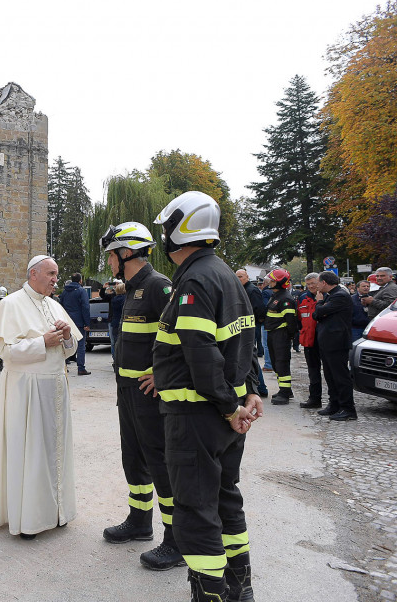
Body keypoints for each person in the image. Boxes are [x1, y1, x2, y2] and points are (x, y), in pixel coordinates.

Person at [152, 191, 263, 602]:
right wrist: (247, 393)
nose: (164, 234)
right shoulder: (225, 275)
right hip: (225, 415)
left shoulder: (196, 280)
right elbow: (244, 341)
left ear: (181, 229)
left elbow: (202, 353)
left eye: (167, 227)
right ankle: (240, 589)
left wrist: (231, 405)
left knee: (196, 511)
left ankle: (210, 595)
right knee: (226, 499)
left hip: (198, 415)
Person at [99, 222, 183, 570]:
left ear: (126, 252)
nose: (108, 263)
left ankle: (176, 540)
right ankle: (139, 521)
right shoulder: (132, 288)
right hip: (128, 391)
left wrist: (162, 375)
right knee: (132, 458)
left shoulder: (158, 286)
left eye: (110, 255)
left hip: (149, 395)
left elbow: (181, 334)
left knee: (159, 463)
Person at [0, 255, 83, 540]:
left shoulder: (54, 305)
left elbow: (70, 349)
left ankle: (57, 511)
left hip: (56, 386)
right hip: (26, 388)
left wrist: (65, 337)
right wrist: (42, 342)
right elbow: (7, 353)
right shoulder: (10, 304)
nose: (55, 279)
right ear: (33, 274)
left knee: (56, 451)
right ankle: (29, 519)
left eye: (56, 274)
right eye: (51, 274)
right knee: (31, 451)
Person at [313, 271, 358, 421]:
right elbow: (316, 315)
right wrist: (321, 308)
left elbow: (320, 311)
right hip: (327, 341)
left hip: (337, 342)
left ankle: (348, 409)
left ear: (324, 282)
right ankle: (334, 404)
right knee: (330, 375)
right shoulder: (330, 295)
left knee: (340, 376)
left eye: (318, 282)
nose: (317, 286)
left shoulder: (340, 295)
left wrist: (319, 303)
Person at [264, 269, 298, 405]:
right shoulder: (276, 295)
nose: (270, 282)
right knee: (275, 362)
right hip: (273, 333)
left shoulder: (285, 299)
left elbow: (291, 322)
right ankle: (285, 389)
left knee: (282, 362)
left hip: (281, 334)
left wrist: (289, 337)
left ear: (280, 283)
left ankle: (284, 393)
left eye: (272, 280)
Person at [236, 269, 269, 397]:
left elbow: (259, 308)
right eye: (237, 277)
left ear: (247, 277)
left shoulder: (252, 290)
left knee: (250, 357)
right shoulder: (242, 289)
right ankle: (258, 386)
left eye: (241, 276)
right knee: (248, 357)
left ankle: (261, 387)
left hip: (250, 327)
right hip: (244, 327)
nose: (239, 279)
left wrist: (255, 322)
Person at [297, 273, 323, 409]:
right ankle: (314, 399)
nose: (311, 286)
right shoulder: (303, 298)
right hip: (309, 340)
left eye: (313, 283)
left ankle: (335, 401)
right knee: (313, 371)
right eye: (308, 284)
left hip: (324, 339)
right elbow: (300, 318)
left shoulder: (326, 296)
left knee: (331, 372)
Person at [61, 273, 92, 376]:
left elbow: (60, 306)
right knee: (81, 345)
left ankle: (65, 365)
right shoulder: (81, 291)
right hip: (79, 322)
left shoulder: (65, 292)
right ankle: (81, 368)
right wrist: (87, 323)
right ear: (80, 281)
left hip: (67, 321)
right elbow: (85, 307)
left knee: (66, 343)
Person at [100, 281, 126, 358]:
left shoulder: (118, 298)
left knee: (116, 341)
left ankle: (117, 359)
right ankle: (115, 358)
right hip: (112, 320)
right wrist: (103, 288)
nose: (116, 285)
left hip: (116, 321)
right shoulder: (113, 296)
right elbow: (103, 296)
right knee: (113, 341)